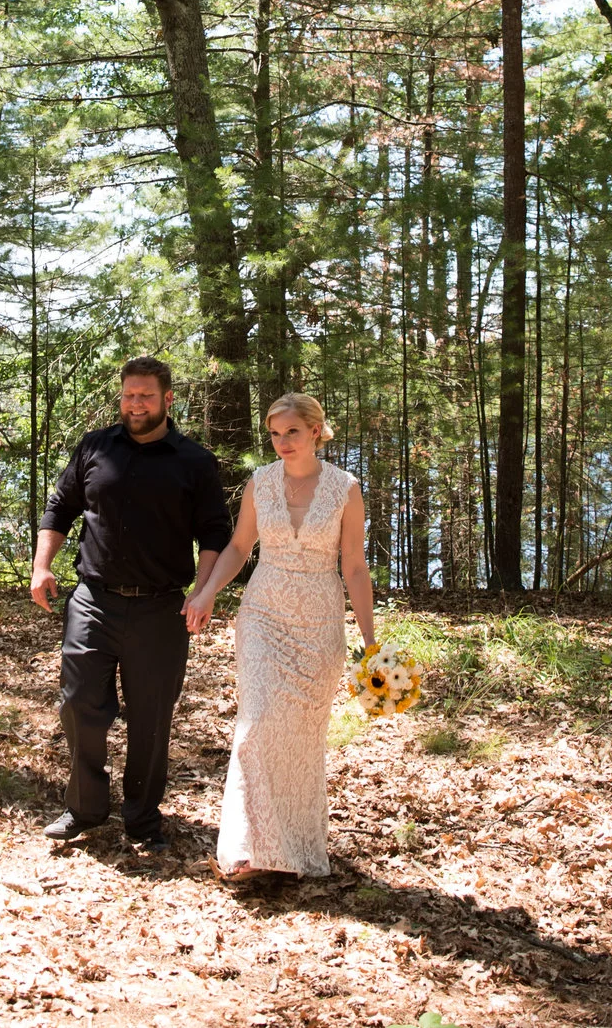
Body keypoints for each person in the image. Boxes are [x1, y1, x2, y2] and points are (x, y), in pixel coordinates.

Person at [30, 356, 231, 850]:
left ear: (167, 400)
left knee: (151, 717)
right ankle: (85, 808)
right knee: (79, 705)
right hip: (92, 600)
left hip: (161, 610)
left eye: (145, 396)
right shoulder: (96, 447)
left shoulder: (195, 462)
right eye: (128, 395)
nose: (134, 404)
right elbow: (61, 506)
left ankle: (142, 818)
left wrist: (203, 592)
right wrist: (41, 565)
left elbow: (214, 535)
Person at [186, 392, 375, 881]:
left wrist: (369, 641)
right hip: (263, 617)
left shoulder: (344, 489)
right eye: (274, 433)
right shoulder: (260, 484)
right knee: (257, 724)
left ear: (315, 430)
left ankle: (291, 850)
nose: (282, 442)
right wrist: (205, 593)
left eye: (291, 431)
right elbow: (238, 547)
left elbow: (354, 566)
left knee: (299, 740)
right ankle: (247, 851)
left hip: (318, 624)